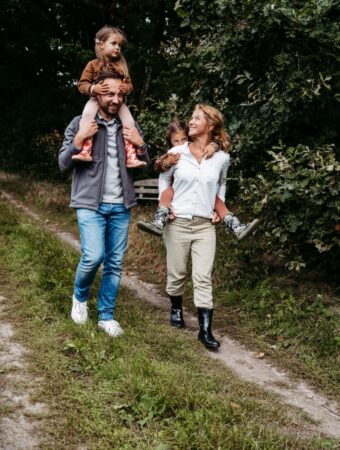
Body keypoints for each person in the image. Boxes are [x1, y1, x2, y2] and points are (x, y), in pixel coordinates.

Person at [58, 71, 149, 337]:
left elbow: (143, 164)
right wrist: (78, 140)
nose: (116, 99)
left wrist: (140, 144)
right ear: (96, 92)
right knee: (92, 256)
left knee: (115, 263)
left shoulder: (128, 125)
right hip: (89, 203)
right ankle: (80, 297)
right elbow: (63, 164)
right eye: (110, 93)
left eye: (120, 94)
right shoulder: (80, 123)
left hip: (121, 204)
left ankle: (106, 316)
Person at [160, 104, 234, 350]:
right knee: (177, 272)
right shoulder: (177, 152)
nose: (190, 122)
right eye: (191, 118)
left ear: (210, 125)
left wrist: (217, 208)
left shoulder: (222, 158)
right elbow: (164, 178)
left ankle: (205, 331)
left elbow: (221, 184)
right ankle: (176, 308)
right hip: (177, 222)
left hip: (204, 226)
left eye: (196, 118)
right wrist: (166, 206)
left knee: (203, 276)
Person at [137, 119, 259, 239]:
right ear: (170, 143)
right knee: (168, 190)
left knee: (215, 199)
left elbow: (224, 138)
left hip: (201, 190)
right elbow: (160, 171)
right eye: (176, 141)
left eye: (184, 139)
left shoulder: (200, 150)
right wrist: (166, 164)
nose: (180, 144)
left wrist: (215, 144)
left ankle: (236, 226)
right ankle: (159, 221)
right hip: (178, 191)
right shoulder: (172, 154)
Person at [75, 25, 145, 168]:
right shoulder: (93, 65)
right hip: (96, 100)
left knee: (129, 122)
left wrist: (126, 88)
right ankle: (85, 150)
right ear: (101, 45)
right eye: (113, 43)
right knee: (86, 116)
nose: (117, 47)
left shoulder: (122, 66)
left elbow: (130, 85)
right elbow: (82, 84)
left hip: (118, 102)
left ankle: (131, 155)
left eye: (119, 45)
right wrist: (94, 88)